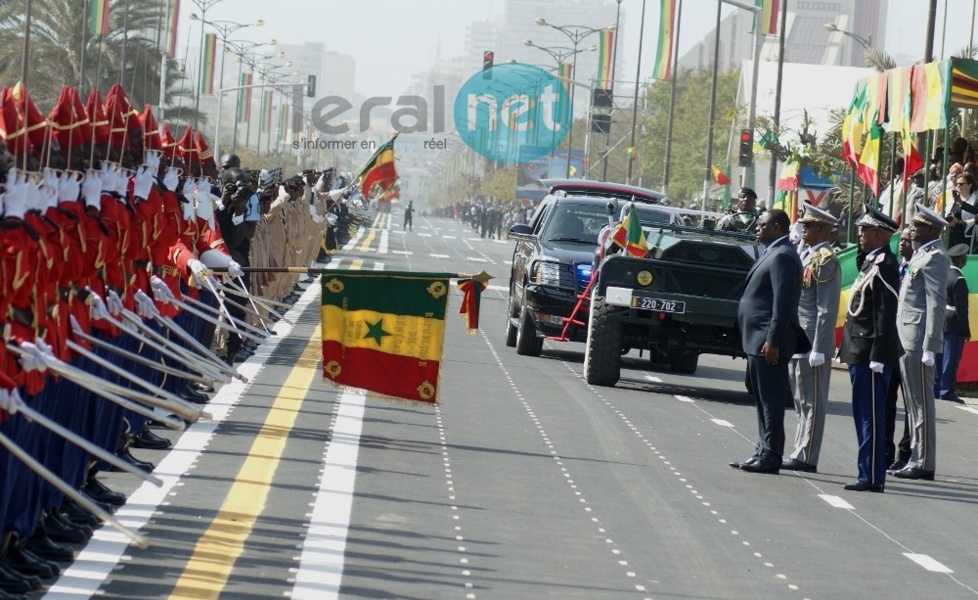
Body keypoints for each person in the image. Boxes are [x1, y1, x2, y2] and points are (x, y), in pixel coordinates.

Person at [730, 208, 810, 474]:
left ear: (777, 228)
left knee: (772, 401)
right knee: (762, 399)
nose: (756, 228)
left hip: (768, 341)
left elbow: (783, 302)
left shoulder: (784, 256)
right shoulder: (773, 252)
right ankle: (762, 451)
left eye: (761, 224)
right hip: (757, 338)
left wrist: (773, 340)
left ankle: (772, 455)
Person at [839, 206, 901, 492]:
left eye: (865, 230)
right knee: (862, 414)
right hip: (859, 350)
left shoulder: (885, 264)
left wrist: (878, 355)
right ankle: (867, 472)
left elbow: (885, 315)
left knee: (871, 418)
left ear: (879, 233)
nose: (859, 234)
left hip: (871, 354)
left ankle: (872, 476)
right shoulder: (870, 262)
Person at [891, 203, 949, 481]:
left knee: (922, 403)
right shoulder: (920, 255)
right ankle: (915, 456)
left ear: (931, 229)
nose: (912, 228)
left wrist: (930, 345)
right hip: (906, 337)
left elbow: (936, 303)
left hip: (918, 340)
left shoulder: (936, 257)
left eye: (917, 225)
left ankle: (924, 461)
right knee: (913, 404)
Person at [783, 203, 841, 474]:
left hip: (812, 339)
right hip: (798, 336)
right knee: (799, 399)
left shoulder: (826, 259)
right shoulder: (805, 253)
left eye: (808, 225)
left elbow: (826, 308)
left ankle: (807, 455)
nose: (803, 228)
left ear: (822, 229)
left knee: (812, 402)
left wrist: (820, 347)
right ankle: (799, 449)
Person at [885, 227, 914, 471]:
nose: (903, 244)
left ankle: (906, 454)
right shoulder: (894, 266)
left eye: (908, 240)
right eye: (901, 240)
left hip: (909, 344)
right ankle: (885, 452)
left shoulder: (920, 268)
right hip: (890, 343)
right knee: (886, 400)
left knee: (910, 404)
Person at [935, 243, 971, 403]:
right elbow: (962, 309)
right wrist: (966, 330)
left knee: (941, 357)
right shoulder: (959, 280)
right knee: (951, 358)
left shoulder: (946, 275)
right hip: (954, 322)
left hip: (943, 319)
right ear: (962, 259)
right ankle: (946, 390)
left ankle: (937, 387)